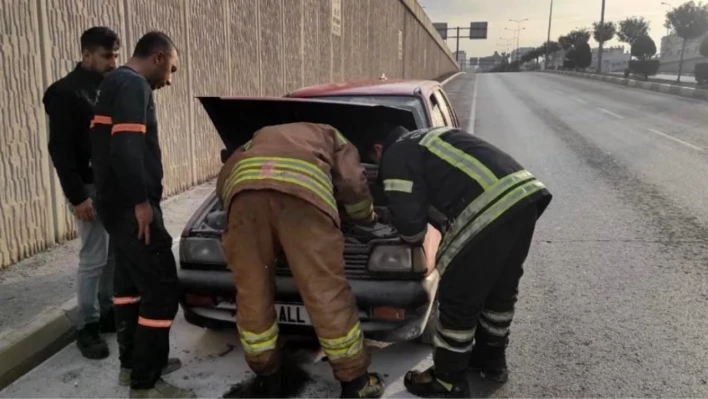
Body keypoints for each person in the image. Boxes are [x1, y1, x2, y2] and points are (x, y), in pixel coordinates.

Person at [368, 126, 552, 398]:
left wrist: (389, 218)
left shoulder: (396, 153)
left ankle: (447, 379)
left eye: (375, 164)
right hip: (523, 196)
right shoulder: (427, 139)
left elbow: (411, 230)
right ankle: (491, 362)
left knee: (458, 297)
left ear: (378, 149)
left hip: (488, 207)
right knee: (499, 292)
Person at [217, 122, 386, 399]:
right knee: (325, 292)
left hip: (245, 202)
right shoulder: (333, 135)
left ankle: (268, 379)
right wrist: (365, 218)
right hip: (304, 204)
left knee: (252, 292)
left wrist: (241, 215)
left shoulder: (260, 135)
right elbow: (352, 182)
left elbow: (225, 179)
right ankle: (355, 383)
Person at [90, 31, 193, 399]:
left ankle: (133, 366)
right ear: (159, 57)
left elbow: (107, 150)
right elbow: (126, 148)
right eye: (173, 70)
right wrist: (141, 203)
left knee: (129, 288)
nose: (170, 79)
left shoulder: (112, 83)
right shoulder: (134, 86)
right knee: (162, 289)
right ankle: (146, 384)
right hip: (132, 207)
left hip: (112, 204)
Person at [42, 26, 120, 360]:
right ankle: (86, 327)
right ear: (86, 55)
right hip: (87, 188)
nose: (113, 62)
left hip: (112, 186)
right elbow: (59, 149)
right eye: (106, 56)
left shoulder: (108, 88)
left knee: (112, 256)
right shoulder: (65, 92)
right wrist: (77, 197)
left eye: (116, 54)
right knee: (93, 258)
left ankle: (107, 313)